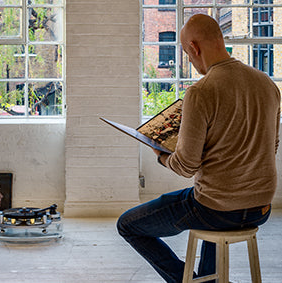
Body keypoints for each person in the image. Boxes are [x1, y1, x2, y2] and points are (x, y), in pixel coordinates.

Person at [117, 13, 280, 283]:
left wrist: (161, 154)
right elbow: (270, 146)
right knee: (215, 202)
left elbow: (186, 166)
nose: (189, 60)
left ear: (193, 47)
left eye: (186, 52)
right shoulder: (267, 84)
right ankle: (207, 280)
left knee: (128, 225)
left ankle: (185, 280)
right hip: (261, 207)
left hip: (215, 208)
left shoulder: (201, 92)